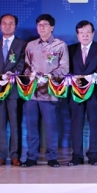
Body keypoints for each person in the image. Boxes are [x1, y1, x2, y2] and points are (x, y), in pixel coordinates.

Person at [22, 13, 69, 167]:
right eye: (39, 25)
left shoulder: (60, 45)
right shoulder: (31, 45)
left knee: (51, 127)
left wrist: (50, 76)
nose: (41, 27)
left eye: (45, 25)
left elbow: (64, 68)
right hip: (32, 92)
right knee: (31, 126)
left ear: (52, 27)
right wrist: (30, 75)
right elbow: (26, 66)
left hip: (50, 91)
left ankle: (52, 157)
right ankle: (31, 157)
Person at [66, 20, 97, 166]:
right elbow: (66, 68)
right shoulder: (70, 49)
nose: (85, 35)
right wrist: (73, 78)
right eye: (81, 33)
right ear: (77, 35)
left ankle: (94, 155)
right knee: (76, 124)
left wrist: (92, 77)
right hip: (75, 91)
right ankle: (76, 156)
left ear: (93, 34)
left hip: (94, 91)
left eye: (88, 32)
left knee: (94, 124)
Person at [0, 14, 26, 166]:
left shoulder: (22, 44)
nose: (7, 26)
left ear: (15, 26)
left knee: (14, 124)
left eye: (11, 23)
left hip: (14, 89)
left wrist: (13, 74)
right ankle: (0, 155)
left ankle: (15, 155)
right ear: (0, 26)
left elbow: (22, 63)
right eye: (4, 23)